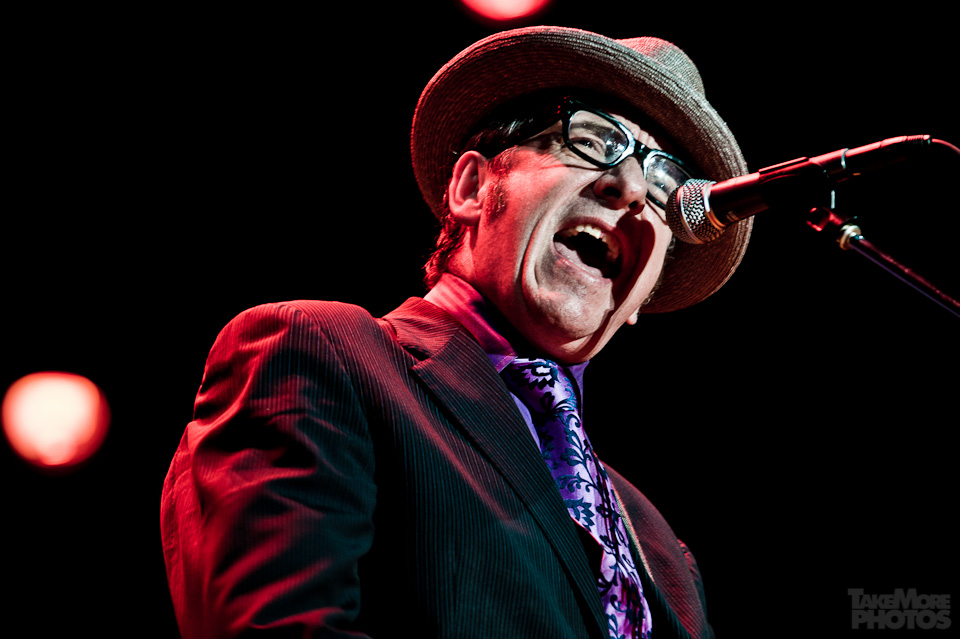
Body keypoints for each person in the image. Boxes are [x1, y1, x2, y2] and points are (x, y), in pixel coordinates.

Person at [160, 26, 754, 639]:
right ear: (472, 188)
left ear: (643, 293)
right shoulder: (321, 352)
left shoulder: (658, 545)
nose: (629, 189)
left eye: (664, 187)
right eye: (593, 140)